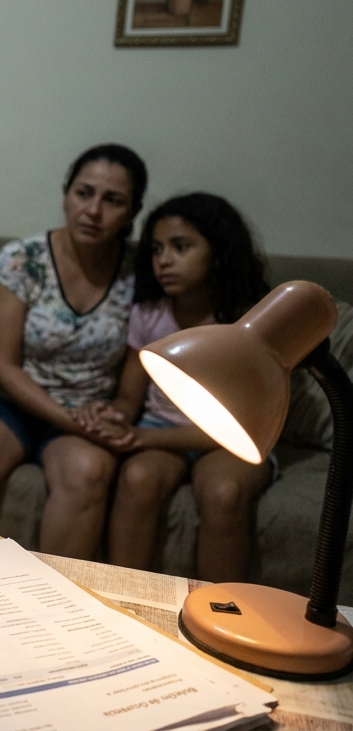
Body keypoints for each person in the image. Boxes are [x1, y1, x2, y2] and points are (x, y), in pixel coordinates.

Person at [0, 144, 147, 559]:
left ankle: (56, 600)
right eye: (83, 193)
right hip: (9, 400)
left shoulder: (141, 273)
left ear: (133, 212)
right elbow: (3, 366)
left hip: (88, 407)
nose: (93, 210)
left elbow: (136, 379)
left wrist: (116, 416)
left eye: (112, 200)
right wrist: (70, 421)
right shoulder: (23, 260)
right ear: (65, 195)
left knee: (88, 471)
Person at [84, 193, 272, 581]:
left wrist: (140, 437)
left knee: (224, 492)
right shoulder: (150, 314)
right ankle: (123, 596)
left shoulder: (245, 322)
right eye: (156, 249)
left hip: (231, 438)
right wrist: (112, 415)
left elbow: (242, 423)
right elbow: (129, 397)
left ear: (218, 252)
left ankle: (222, 609)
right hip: (158, 429)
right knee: (138, 479)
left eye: (181, 247)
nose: (163, 260)